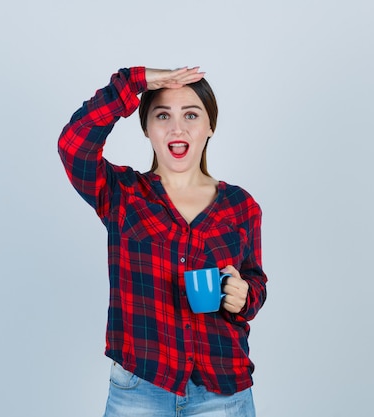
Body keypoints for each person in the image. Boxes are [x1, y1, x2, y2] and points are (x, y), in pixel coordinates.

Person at [58, 66, 268, 416]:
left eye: (191, 114)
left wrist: (245, 295)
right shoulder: (122, 194)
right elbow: (73, 144)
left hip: (223, 389)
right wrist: (135, 82)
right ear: (146, 128)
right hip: (140, 389)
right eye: (162, 115)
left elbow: (255, 281)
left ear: (210, 126)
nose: (177, 127)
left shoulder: (241, 206)